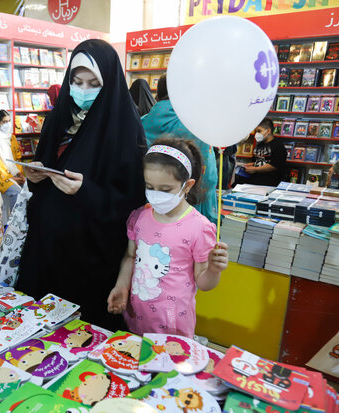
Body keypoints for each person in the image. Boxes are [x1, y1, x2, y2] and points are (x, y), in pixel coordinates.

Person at [16, 39, 146, 330]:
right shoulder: (58, 118)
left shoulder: (125, 128)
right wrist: (35, 177)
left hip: (90, 256)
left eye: (93, 82)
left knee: (82, 337)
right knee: (37, 332)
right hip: (46, 247)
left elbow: (132, 200)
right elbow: (45, 171)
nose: (83, 90)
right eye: (76, 81)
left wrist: (86, 191)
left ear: (110, 82)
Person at [107, 137, 229, 338]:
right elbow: (130, 256)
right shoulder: (139, 217)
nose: (156, 195)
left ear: (187, 185)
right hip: (136, 318)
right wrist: (122, 285)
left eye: (165, 190)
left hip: (173, 327)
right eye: (150, 187)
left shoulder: (199, 228)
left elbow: (204, 282)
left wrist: (214, 270)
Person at [143, 74, 218, 223]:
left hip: (151, 200)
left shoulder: (142, 120)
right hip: (191, 202)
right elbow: (208, 176)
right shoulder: (194, 123)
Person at [236, 117, 286, 187]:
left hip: (268, 182)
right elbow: (257, 160)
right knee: (236, 183)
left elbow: (274, 165)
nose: (257, 134)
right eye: (256, 131)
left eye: (259, 131)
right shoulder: (259, 144)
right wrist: (250, 165)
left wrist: (255, 169)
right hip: (254, 179)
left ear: (268, 131)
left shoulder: (278, 146)